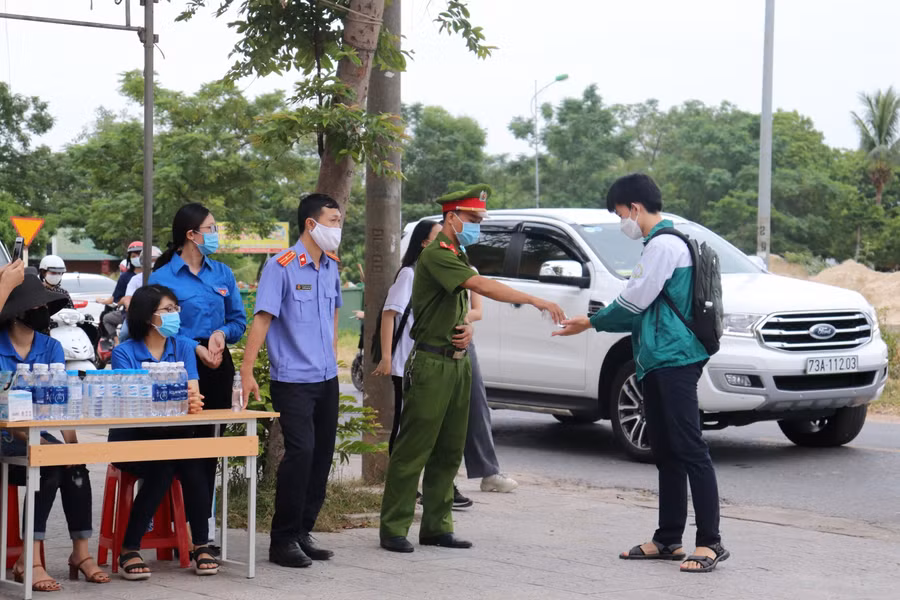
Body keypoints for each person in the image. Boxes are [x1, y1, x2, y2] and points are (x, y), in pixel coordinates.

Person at [553, 173, 729, 573]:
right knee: (665, 450)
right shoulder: (658, 246)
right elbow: (644, 306)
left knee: (689, 448)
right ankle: (668, 539)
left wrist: (591, 321)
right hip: (655, 359)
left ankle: (710, 542)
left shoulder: (665, 246)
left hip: (675, 358)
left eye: (620, 214)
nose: (622, 223)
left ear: (634, 208)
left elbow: (634, 302)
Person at [378, 184, 565, 554]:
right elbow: (481, 285)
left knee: (449, 450)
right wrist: (533, 298)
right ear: (452, 218)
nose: (478, 225)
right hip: (431, 363)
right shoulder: (438, 254)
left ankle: (436, 526)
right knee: (414, 448)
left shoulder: (457, 252)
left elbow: (457, 304)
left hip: (457, 362)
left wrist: (467, 327)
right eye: (474, 219)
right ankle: (393, 528)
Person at [240, 193, 343, 568]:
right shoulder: (281, 266)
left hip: (327, 375)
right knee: (300, 453)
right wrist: (247, 370)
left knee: (321, 456)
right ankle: (281, 539)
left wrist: (333, 355)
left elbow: (332, 315)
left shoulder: (330, 266)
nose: (338, 228)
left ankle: (302, 531)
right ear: (311, 225)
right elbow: (263, 318)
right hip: (293, 379)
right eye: (333, 221)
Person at [0, 274, 109, 591]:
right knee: (47, 464)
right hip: (6, 438)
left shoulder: (51, 347)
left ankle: (81, 553)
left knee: (74, 466)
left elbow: (61, 403)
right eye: (37, 305)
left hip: (40, 437)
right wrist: (46, 446)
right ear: (17, 311)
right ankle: (29, 560)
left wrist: (71, 448)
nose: (44, 311)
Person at [149, 203, 246, 550]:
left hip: (218, 366)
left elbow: (239, 320)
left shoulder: (222, 273)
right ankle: (181, 529)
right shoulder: (162, 278)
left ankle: (201, 531)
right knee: (183, 449)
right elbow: (159, 327)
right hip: (179, 365)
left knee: (209, 450)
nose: (215, 234)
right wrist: (195, 347)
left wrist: (221, 334)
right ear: (191, 234)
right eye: (211, 227)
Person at [110, 284, 217, 579]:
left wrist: (168, 398)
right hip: (132, 439)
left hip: (175, 435)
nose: (175, 316)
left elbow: (193, 399)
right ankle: (130, 548)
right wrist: (175, 398)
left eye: (176, 309)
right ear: (147, 316)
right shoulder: (124, 353)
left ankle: (201, 544)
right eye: (167, 311)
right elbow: (132, 405)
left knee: (193, 461)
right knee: (165, 463)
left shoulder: (182, 347)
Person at [461, 285, 518, 494]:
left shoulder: (467, 269)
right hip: (431, 345)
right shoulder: (431, 265)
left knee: (476, 404)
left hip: (462, 339)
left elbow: (478, 310)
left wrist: (460, 319)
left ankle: (489, 472)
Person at [99, 240, 142, 336]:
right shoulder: (125, 277)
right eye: (133, 256)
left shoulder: (154, 275)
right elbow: (117, 299)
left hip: (151, 312)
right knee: (125, 334)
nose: (137, 258)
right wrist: (128, 300)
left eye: (139, 255)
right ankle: (117, 343)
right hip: (131, 314)